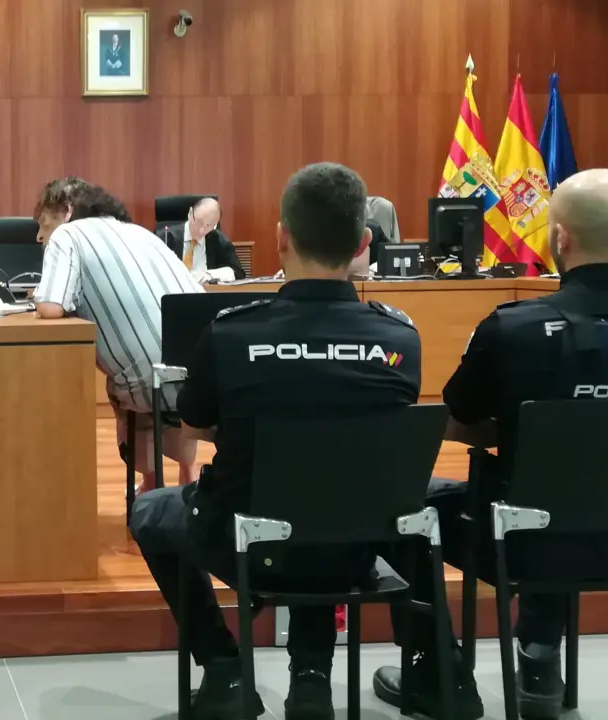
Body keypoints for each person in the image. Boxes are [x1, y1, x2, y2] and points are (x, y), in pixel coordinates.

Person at [372, 169, 608, 720]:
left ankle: (438, 676)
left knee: (404, 505)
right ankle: (539, 660)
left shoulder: (516, 328)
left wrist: (524, 429)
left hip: (522, 543)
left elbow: (457, 415)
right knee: (569, 488)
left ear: (560, 237)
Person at [131, 163, 421, 720]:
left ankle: (224, 670)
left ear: (282, 237)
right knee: (324, 498)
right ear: (364, 243)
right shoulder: (399, 338)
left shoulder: (232, 332)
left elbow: (194, 429)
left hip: (245, 542)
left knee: (150, 513)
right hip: (355, 548)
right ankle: (311, 678)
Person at [32, 177, 202, 490]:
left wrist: (37, 297)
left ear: (66, 211)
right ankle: (187, 472)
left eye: (44, 224)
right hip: (204, 378)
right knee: (161, 366)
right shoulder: (142, 233)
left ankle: (151, 481)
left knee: (125, 384)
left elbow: (52, 307)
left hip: (151, 386)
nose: (40, 236)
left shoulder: (68, 234)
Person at [156, 198, 247, 282]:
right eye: (198, 222)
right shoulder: (165, 238)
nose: (202, 230)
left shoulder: (218, 240)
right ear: (190, 213)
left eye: (208, 226)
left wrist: (210, 275)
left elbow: (238, 272)